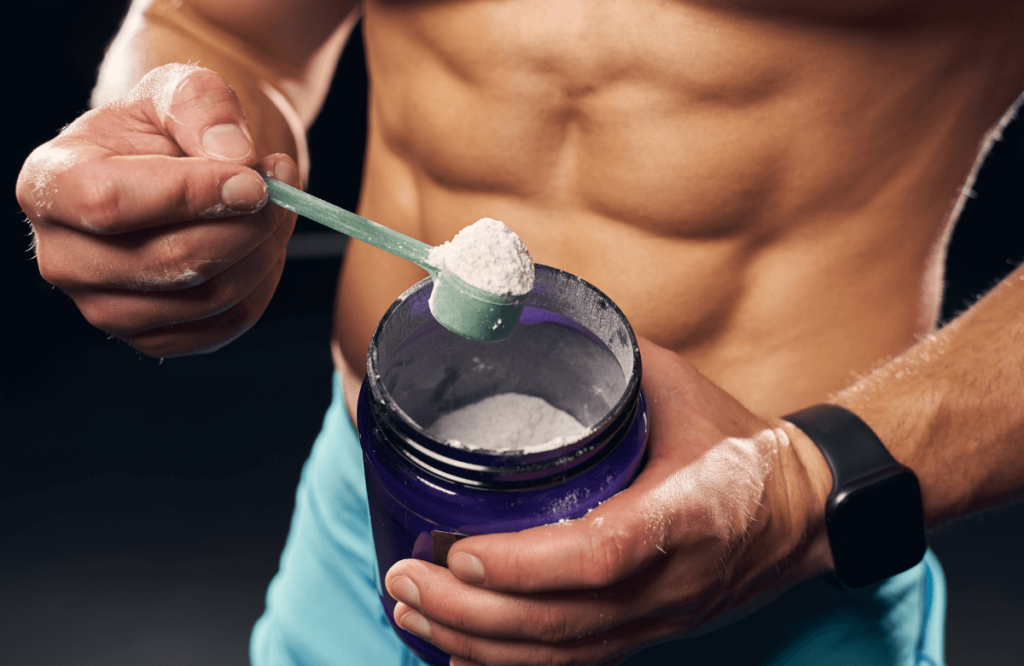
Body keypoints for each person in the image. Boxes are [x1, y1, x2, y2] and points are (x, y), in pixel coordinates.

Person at [15, 0, 1024, 664]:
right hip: (377, 541)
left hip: (782, 593)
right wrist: (181, 161)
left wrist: (808, 490)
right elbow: (218, 23)